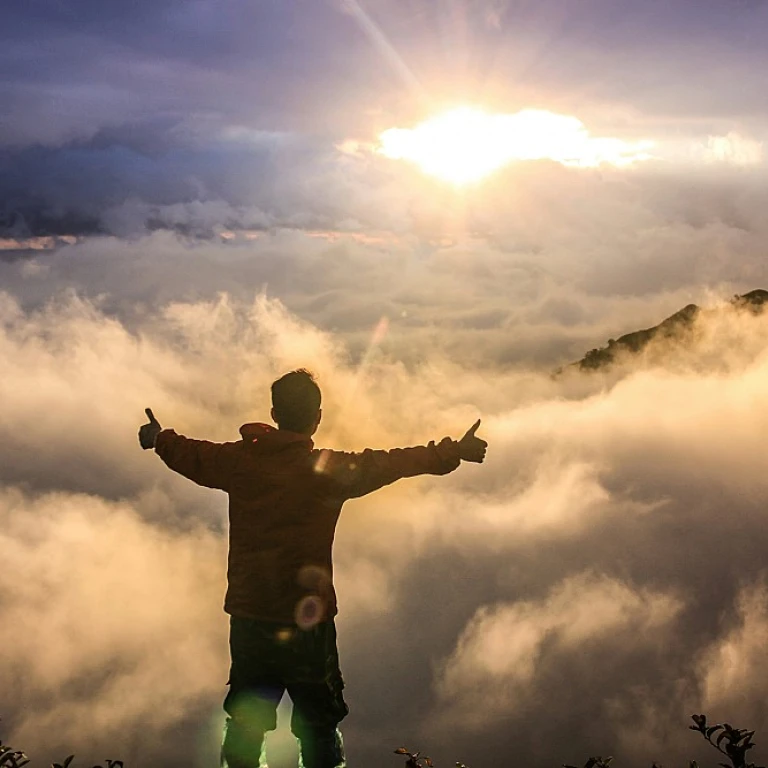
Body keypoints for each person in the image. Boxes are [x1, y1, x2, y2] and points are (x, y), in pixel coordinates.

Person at [138, 369, 487, 768]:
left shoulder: (238, 462)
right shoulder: (327, 471)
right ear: (316, 417)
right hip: (309, 622)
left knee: (246, 723)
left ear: (273, 412)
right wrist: (451, 452)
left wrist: (158, 438)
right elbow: (390, 462)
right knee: (319, 725)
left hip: (251, 617)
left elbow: (192, 453)